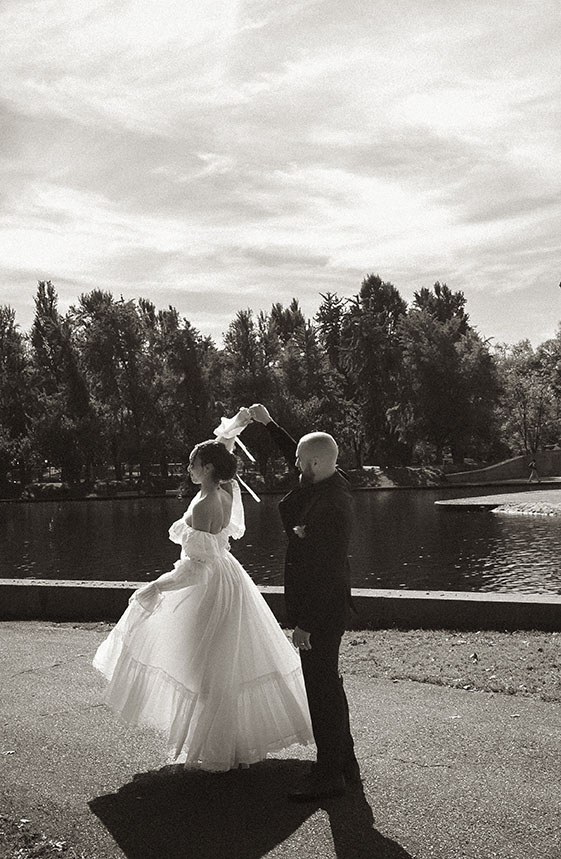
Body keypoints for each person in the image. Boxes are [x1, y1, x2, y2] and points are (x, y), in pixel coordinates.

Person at [93, 413, 313, 772]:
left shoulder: (202, 504)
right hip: (231, 579)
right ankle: (235, 745)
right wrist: (236, 424)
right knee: (229, 665)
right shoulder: (225, 490)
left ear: (208, 467)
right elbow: (223, 447)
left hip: (209, 587)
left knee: (206, 669)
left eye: (193, 464)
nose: (189, 470)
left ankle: (219, 749)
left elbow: (195, 568)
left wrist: (155, 586)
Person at [249, 404, 360, 801]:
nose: (293, 462)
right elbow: (302, 450)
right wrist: (270, 425)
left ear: (314, 464)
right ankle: (344, 762)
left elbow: (327, 572)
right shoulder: (328, 481)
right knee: (329, 686)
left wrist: (306, 624)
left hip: (323, 613)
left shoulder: (329, 507)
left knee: (322, 691)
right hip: (326, 610)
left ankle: (330, 775)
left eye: (299, 461)